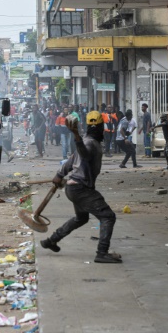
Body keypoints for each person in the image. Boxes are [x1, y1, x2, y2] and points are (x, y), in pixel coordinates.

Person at [39, 111, 121, 264]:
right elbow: (84, 154)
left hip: (74, 188)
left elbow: (70, 161)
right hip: (81, 189)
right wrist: (76, 134)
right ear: (101, 127)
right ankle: (102, 252)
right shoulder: (89, 143)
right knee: (108, 216)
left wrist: (59, 174)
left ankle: (52, 240)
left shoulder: (86, 140)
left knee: (81, 218)